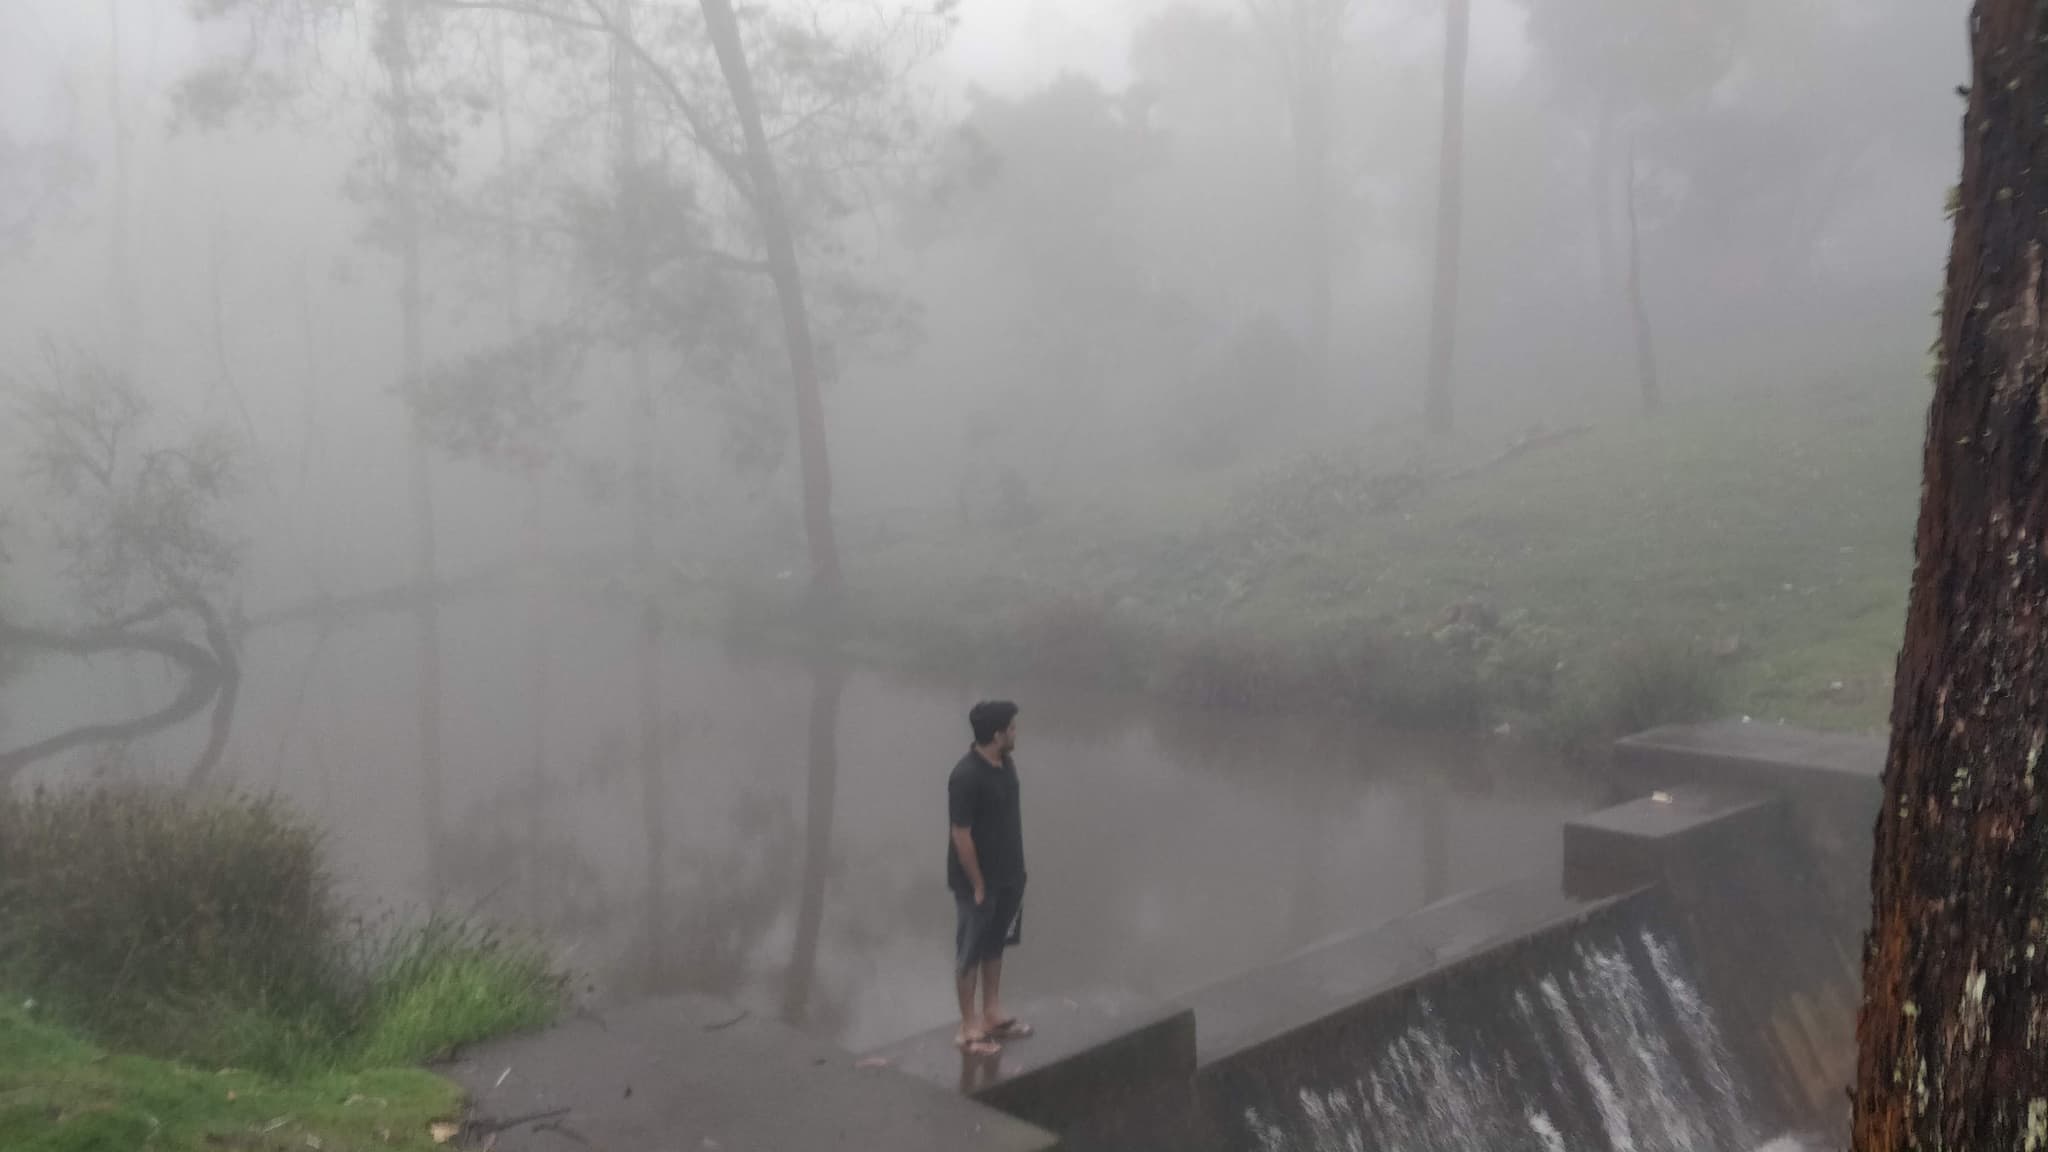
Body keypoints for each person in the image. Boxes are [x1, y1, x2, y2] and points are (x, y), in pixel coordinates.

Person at [948, 700, 1032, 1056]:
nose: (1015, 732)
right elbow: (961, 834)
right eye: (1012, 728)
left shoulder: (1006, 763)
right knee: (970, 950)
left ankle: (992, 1012)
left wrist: (1015, 875)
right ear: (997, 734)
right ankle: (968, 1027)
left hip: (1010, 878)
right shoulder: (966, 775)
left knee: (996, 944)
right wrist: (978, 883)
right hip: (978, 884)